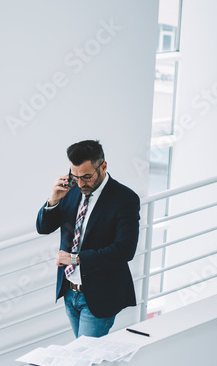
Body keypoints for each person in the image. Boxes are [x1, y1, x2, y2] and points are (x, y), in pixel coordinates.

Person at [36, 140, 140, 338]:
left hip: (99, 295)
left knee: (85, 358)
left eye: (86, 177)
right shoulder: (71, 188)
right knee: (83, 355)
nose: (81, 183)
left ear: (103, 166)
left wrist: (76, 258)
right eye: (75, 176)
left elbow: (125, 250)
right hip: (69, 291)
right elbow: (43, 228)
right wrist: (53, 200)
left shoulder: (124, 199)